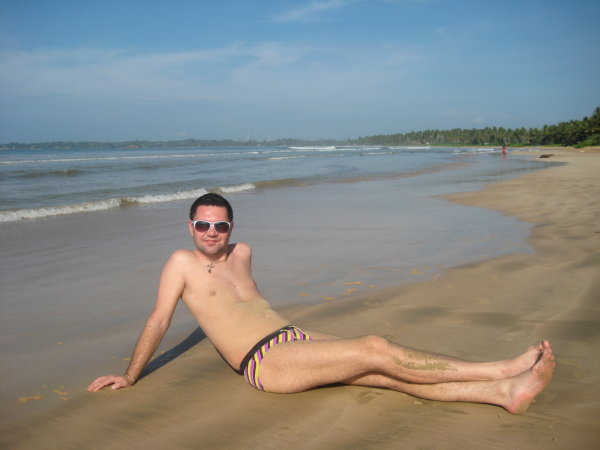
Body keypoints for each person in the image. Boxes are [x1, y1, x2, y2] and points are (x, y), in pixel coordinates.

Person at [88, 193, 555, 414]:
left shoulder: (243, 253)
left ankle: (502, 394)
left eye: (221, 225)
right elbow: (159, 320)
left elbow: (248, 304)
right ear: (189, 227)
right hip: (265, 362)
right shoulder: (180, 263)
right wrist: (131, 375)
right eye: (203, 225)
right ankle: (500, 369)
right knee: (375, 347)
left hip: (292, 338)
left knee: (382, 374)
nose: (212, 232)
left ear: (232, 228)